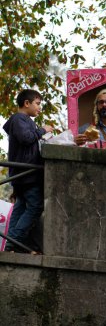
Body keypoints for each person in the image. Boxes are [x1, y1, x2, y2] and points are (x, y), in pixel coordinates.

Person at [3, 89, 53, 253]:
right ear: (26, 103)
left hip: (23, 174)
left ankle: (10, 244)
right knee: (36, 206)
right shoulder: (19, 119)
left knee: (21, 207)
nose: (39, 108)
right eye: (37, 104)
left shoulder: (22, 120)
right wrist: (43, 130)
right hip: (26, 174)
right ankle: (16, 240)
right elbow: (26, 138)